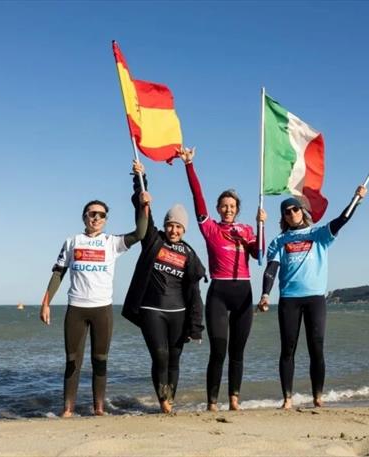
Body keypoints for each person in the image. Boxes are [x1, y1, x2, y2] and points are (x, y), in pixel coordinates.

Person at [40, 174, 150, 417]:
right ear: (84, 217)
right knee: (72, 361)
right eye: (92, 213)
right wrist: (46, 302)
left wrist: (143, 204)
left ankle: (98, 408)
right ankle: (68, 409)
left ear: (105, 220)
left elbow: (141, 232)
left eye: (101, 215)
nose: (96, 217)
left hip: (102, 309)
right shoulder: (72, 241)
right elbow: (59, 272)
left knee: (100, 360)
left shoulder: (112, 243)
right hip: (76, 309)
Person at [257, 186, 367, 409]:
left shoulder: (318, 234)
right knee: (288, 349)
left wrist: (356, 199)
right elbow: (271, 268)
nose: (291, 214)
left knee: (316, 348)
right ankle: (287, 398)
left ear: (302, 211)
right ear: (283, 217)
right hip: (289, 299)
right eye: (286, 212)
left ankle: (317, 396)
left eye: (294, 209)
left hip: (315, 298)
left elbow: (341, 220)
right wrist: (266, 294)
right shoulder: (279, 241)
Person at [177, 146, 267, 411]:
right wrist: (189, 166)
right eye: (224, 206)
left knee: (237, 352)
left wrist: (261, 225)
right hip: (219, 291)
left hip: (243, 292)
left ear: (237, 209)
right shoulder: (210, 228)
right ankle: (212, 402)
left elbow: (259, 253)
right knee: (218, 350)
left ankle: (234, 400)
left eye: (232, 206)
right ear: (218, 208)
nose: (228, 209)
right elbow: (197, 197)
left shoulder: (246, 229)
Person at [122, 160, 207, 414]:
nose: (173, 229)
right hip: (151, 310)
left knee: (174, 359)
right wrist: (141, 181)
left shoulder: (190, 254)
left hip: (178, 314)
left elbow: (194, 294)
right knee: (159, 356)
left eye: (178, 226)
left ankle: (170, 397)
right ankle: (163, 402)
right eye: (170, 224)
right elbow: (143, 207)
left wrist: (196, 327)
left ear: (184, 229)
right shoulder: (153, 240)